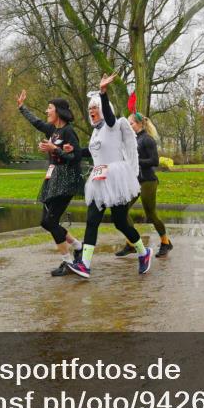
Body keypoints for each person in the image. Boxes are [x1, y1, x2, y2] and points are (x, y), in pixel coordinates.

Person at [64, 74, 152, 279]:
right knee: (92, 220)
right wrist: (73, 150)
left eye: (95, 108)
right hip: (99, 179)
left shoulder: (113, 126)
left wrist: (103, 93)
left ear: (104, 109)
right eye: (90, 109)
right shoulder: (96, 132)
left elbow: (110, 119)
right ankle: (85, 264)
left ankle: (143, 252)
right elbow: (92, 151)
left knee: (120, 222)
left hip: (115, 179)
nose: (91, 111)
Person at [16, 90, 85, 276]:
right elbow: (36, 122)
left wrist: (55, 149)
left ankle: (68, 261)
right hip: (53, 179)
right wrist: (22, 107)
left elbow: (76, 157)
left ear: (59, 111)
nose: (47, 111)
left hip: (67, 181)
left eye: (50, 108)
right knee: (46, 222)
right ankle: (78, 246)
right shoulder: (52, 130)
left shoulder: (69, 131)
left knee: (50, 221)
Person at [115, 111, 173, 258]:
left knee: (151, 214)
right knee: (122, 210)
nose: (129, 126)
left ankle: (165, 242)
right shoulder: (132, 139)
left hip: (148, 181)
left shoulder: (147, 139)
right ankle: (131, 243)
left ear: (140, 124)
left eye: (131, 123)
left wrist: (135, 161)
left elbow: (154, 161)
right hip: (134, 180)